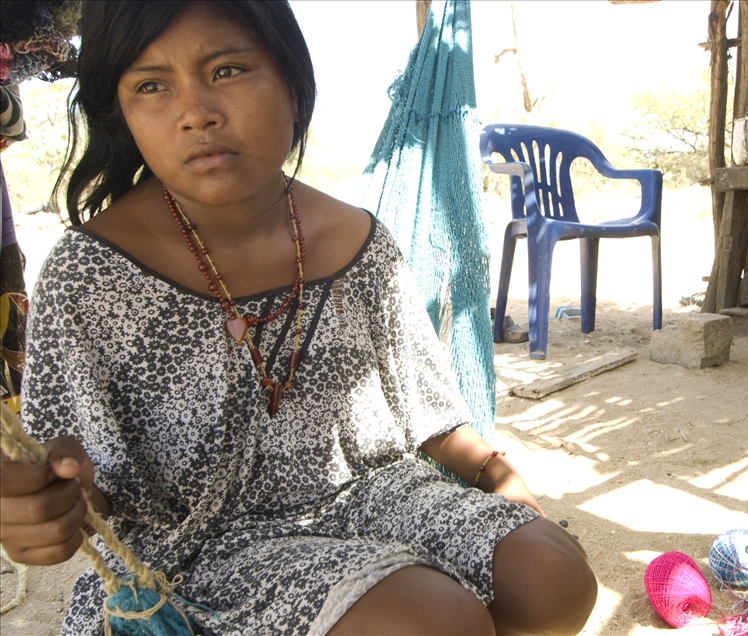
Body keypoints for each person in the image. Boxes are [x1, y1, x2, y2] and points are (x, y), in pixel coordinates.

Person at [0, 2, 598, 634]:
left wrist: (497, 479)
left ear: (292, 81)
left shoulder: (357, 240)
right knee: (437, 622)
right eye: (151, 85)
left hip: (378, 497)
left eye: (227, 70)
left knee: (553, 577)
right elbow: (79, 474)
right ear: (121, 111)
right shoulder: (91, 273)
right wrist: (49, 503)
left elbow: (432, 417)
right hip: (199, 552)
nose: (195, 112)